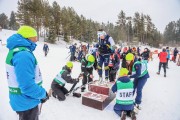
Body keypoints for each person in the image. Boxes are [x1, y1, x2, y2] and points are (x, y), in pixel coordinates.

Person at [6, 26, 49, 120]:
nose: (36, 40)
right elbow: (27, 86)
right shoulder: (23, 55)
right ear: (27, 37)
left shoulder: (19, 51)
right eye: (34, 37)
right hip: (26, 101)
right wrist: (43, 94)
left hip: (24, 100)